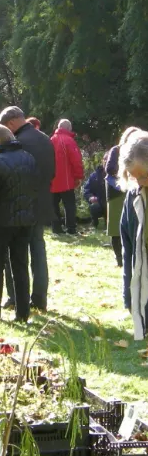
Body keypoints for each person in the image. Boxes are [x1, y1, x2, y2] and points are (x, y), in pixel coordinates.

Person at [0, 106, 55, 312]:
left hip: (20, 204)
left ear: (11, 123)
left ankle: (14, 296)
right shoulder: (45, 138)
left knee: (15, 254)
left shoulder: (17, 143)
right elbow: (51, 172)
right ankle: (40, 298)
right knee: (38, 250)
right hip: (42, 202)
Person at [0, 124, 37, 323]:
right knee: (21, 266)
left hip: (1, 223)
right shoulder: (29, 158)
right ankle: (23, 312)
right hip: (25, 221)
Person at [120, 132, 148, 340]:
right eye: (134, 176)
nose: (139, 182)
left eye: (144, 176)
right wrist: (128, 293)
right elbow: (128, 246)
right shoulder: (133, 195)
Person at [106, 127, 140, 267]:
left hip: (134, 192)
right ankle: (119, 258)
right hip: (116, 192)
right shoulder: (116, 150)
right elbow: (109, 169)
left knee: (133, 225)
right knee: (115, 227)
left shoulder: (139, 151)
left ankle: (133, 257)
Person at [50, 119, 84, 235]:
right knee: (69, 205)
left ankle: (56, 228)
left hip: (52, 180)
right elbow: (76, 161)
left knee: (53, 205)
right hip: (66, 180)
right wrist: (78, 176)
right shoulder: (69, 141)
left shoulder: (50, 140)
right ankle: (71, 228)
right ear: (69, 128)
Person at [83, 157, 107, 229]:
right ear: (102, 161)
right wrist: (90, 197)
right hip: (99, 202)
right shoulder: (94, 176)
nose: (106, 161)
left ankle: (109, 223)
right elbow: (87, 190)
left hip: (111, 203)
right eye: (105, 159)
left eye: (108, 159)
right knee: (94, 207)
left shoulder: (117, 175)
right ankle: (94, 223)